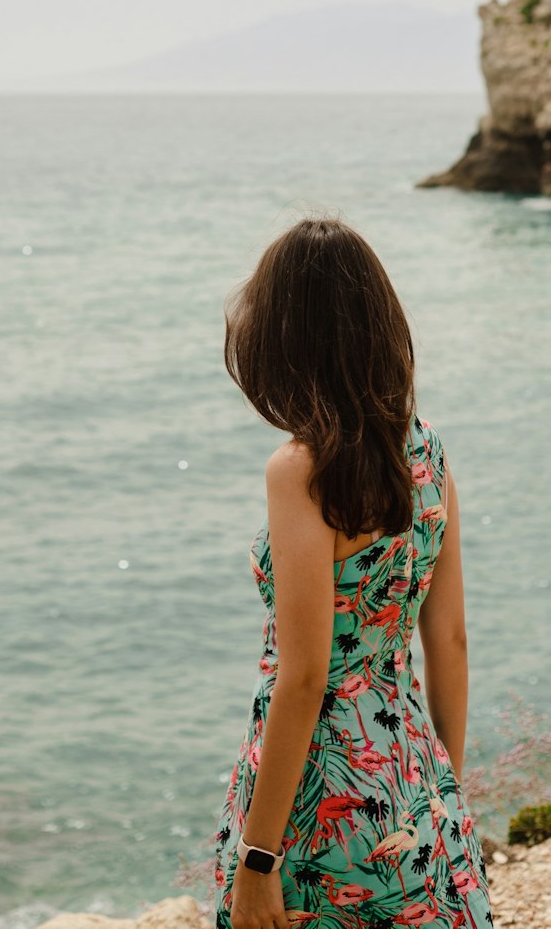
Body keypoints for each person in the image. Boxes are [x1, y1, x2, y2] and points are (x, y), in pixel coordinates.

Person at [212, 215, 492, 929]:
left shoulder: (300, 471)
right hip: (413, 777)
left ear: (286, 342)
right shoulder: (425, 453)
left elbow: (306, 677)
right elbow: (451, 640)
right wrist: (444, 795)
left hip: (319, 796)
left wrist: (258, 859)